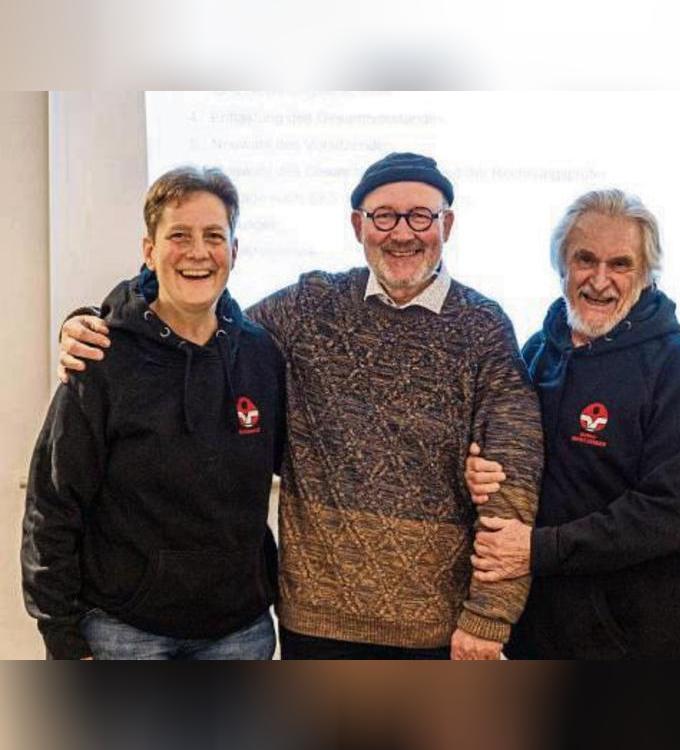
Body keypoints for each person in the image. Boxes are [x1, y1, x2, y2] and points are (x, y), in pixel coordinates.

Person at [57, 152, 544, 660]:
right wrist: (97, 320)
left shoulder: (484, 328)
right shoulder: (310, 306)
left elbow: (513, 480)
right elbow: (195, 320)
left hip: (435, 630)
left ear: (447, 223)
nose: (403, 232)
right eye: (383, 216)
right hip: (314, 625)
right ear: (359, 226)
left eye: (421, 215)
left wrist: (489, 615)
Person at [22, 166, 285, 659]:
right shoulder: (101, 355)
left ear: (235, 250)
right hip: (124, 632)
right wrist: (61, 637)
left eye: (214, 236)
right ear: (149, 250)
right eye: (179, 236)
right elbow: (52, 503)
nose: (198, 252)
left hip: (240, 634)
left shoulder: (260, 355)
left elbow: (308, 456)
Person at [464, 189, 680, 658]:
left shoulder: (679, 367)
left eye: (621, 264)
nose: (600, 280)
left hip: (634, 642)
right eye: (585, 259)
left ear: (647, 275)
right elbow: (517, 463)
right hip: (538, 635)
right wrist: (481, 470)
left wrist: (539, 549)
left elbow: (666, 515)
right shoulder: (537, 352)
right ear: (562, 265)